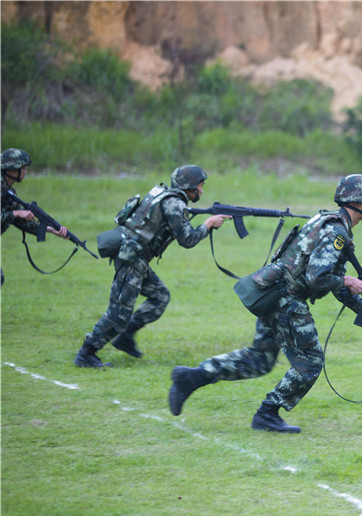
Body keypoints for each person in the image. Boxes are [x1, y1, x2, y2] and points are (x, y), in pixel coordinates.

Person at [166, 174, 362, 434]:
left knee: (260, 359)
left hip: (274, 292)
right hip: (286, 299)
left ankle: (191, 377)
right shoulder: (336, 232)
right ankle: (267, 414)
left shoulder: (329, 222)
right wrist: (346, 281)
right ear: (357, 202)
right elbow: (318, 277)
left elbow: (333, 282)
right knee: (310, 361)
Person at [73, 165, 229, 368]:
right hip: (132, 260)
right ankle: (86, 353)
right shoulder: (174, 203)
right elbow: (187, 239)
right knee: (119, 313)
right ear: (189, 185)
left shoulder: (168, 196)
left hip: (136, 259)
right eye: (200, 185)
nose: (202, 190)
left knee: (160, 296)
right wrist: (207, 225)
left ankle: (126, 336)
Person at [1, 148, 69, 284]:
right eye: (22, 168)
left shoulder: (7, 190)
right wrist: (16, 213)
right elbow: (14, 215)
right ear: (11, 169)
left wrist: (51, 230)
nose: (25, 172)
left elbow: (21, 222)